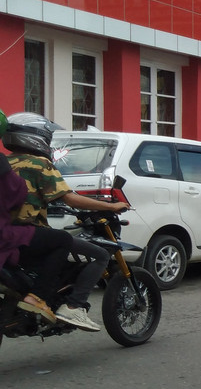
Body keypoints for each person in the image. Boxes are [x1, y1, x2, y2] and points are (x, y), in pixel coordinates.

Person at [3, 112, 126, 332]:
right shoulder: (39, 163)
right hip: (28, 235)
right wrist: (111, 206)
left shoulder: (7, 163)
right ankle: (73, 307)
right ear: (38, 137)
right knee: (99, 254)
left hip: (8, 234)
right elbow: (68, 197)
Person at [1, 145, 74, 324]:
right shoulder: (34, 164)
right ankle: (37, 297)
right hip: (5, 235)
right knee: (63, 240)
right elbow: (15, 194)